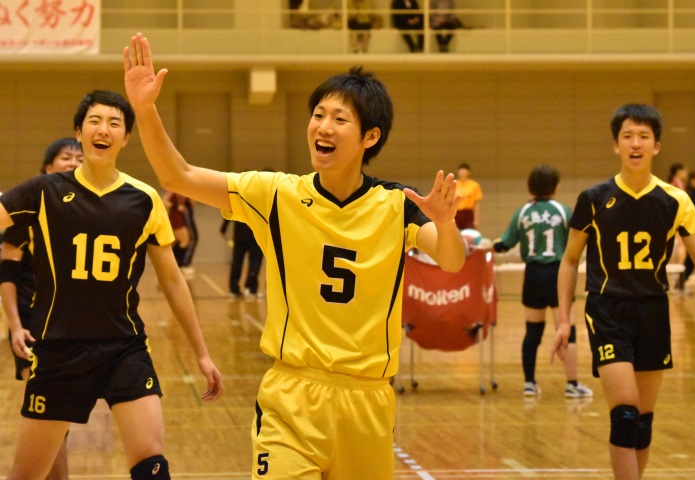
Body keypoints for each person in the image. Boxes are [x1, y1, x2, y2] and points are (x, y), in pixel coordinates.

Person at [124, 32, 466, 480]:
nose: (323, 126)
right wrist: (145, 110)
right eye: (318, 114)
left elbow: (452, 260)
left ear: (370, 136)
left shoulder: (396, 204)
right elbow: (179, 175)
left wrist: (446, 222)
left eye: (339, 119)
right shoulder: (276, 194)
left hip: (368, 400)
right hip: (292, 394)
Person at [0, 90, 223, 480]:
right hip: (59, 351)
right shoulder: (44, 191)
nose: (104, 129)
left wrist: (202, 353)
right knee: (27, 475)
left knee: (151, 462)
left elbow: (173, 281)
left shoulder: (144, 199)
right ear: (79, 132)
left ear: (126, 138)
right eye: (95, 121)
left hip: (124, 347)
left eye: (114, 123)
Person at [551, 104, 695, 480]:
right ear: (616, 145)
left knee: (643, 421)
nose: (636, 143)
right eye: (628, 136)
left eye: (644, 137)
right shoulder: (593, 198)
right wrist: (564, 321)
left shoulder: (676, 201)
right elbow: (569, 261)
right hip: (607, 310)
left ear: (656, 146)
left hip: (653, 310)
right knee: (626, 414)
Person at [0, 137, 84, 480]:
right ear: (48, 168)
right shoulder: (27, 212)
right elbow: (6, 276)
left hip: (70, 327)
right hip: (33, 325)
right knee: (49, 414)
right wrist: (15, 326)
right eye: (66, 157)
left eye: (80, 158)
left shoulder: (86, 214)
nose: (74, 163)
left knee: (58, 417)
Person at [492, 165, 592, 398]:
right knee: (567, 330)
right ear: (555, 186)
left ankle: (529, 383)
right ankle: (572, 384)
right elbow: (577, 239)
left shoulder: (523, 212)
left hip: (533, 275)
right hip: (558, 274)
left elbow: (505, 243)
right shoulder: (562, 211)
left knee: (532, 332)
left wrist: (483, 247)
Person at [220, 219, 264, 298]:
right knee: (250, 262)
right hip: (249, 237)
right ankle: (248, 289)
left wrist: (223, 228)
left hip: (247, 236)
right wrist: (224, 228)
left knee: (243, 263)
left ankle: (238, 289)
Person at [162, 190, 191, 266]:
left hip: (181, 217)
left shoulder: (184, 191)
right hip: (175, 217)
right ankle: (178, 263)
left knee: (172, 242)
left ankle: (169, 263)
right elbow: (164, 201)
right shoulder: (172, 191)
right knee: (185, 240)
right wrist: (176, 207)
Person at [454, 162, 483, 230]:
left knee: (468, 233)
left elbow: (476, 204)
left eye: (464, 171)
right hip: (456, 213)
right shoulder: (454, 184)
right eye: (461, 171)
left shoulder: (474, 185)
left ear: (469, 172)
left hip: (468, 214)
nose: (462, 173)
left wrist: (476, 219)